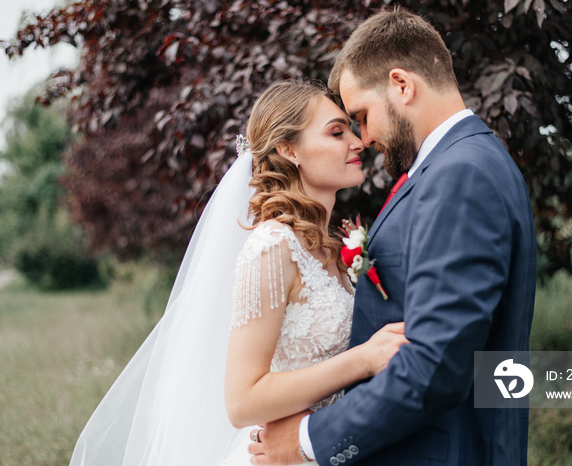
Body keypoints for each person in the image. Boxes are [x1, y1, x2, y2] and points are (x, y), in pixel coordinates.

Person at [249, 8, 537, 466]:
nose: (363, 138)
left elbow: (435, 366)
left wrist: (308, 442)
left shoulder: (460, 174)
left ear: (402, 86)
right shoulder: (459, 164)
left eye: (361, 115)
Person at [68, 80, 407, 466]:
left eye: (350, 129)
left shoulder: (330, 248)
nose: (357, 142)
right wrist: (363, 359)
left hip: (325, 447)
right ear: (288, 149)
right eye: (336, 132)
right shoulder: (273, 247)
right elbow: (243, 400)